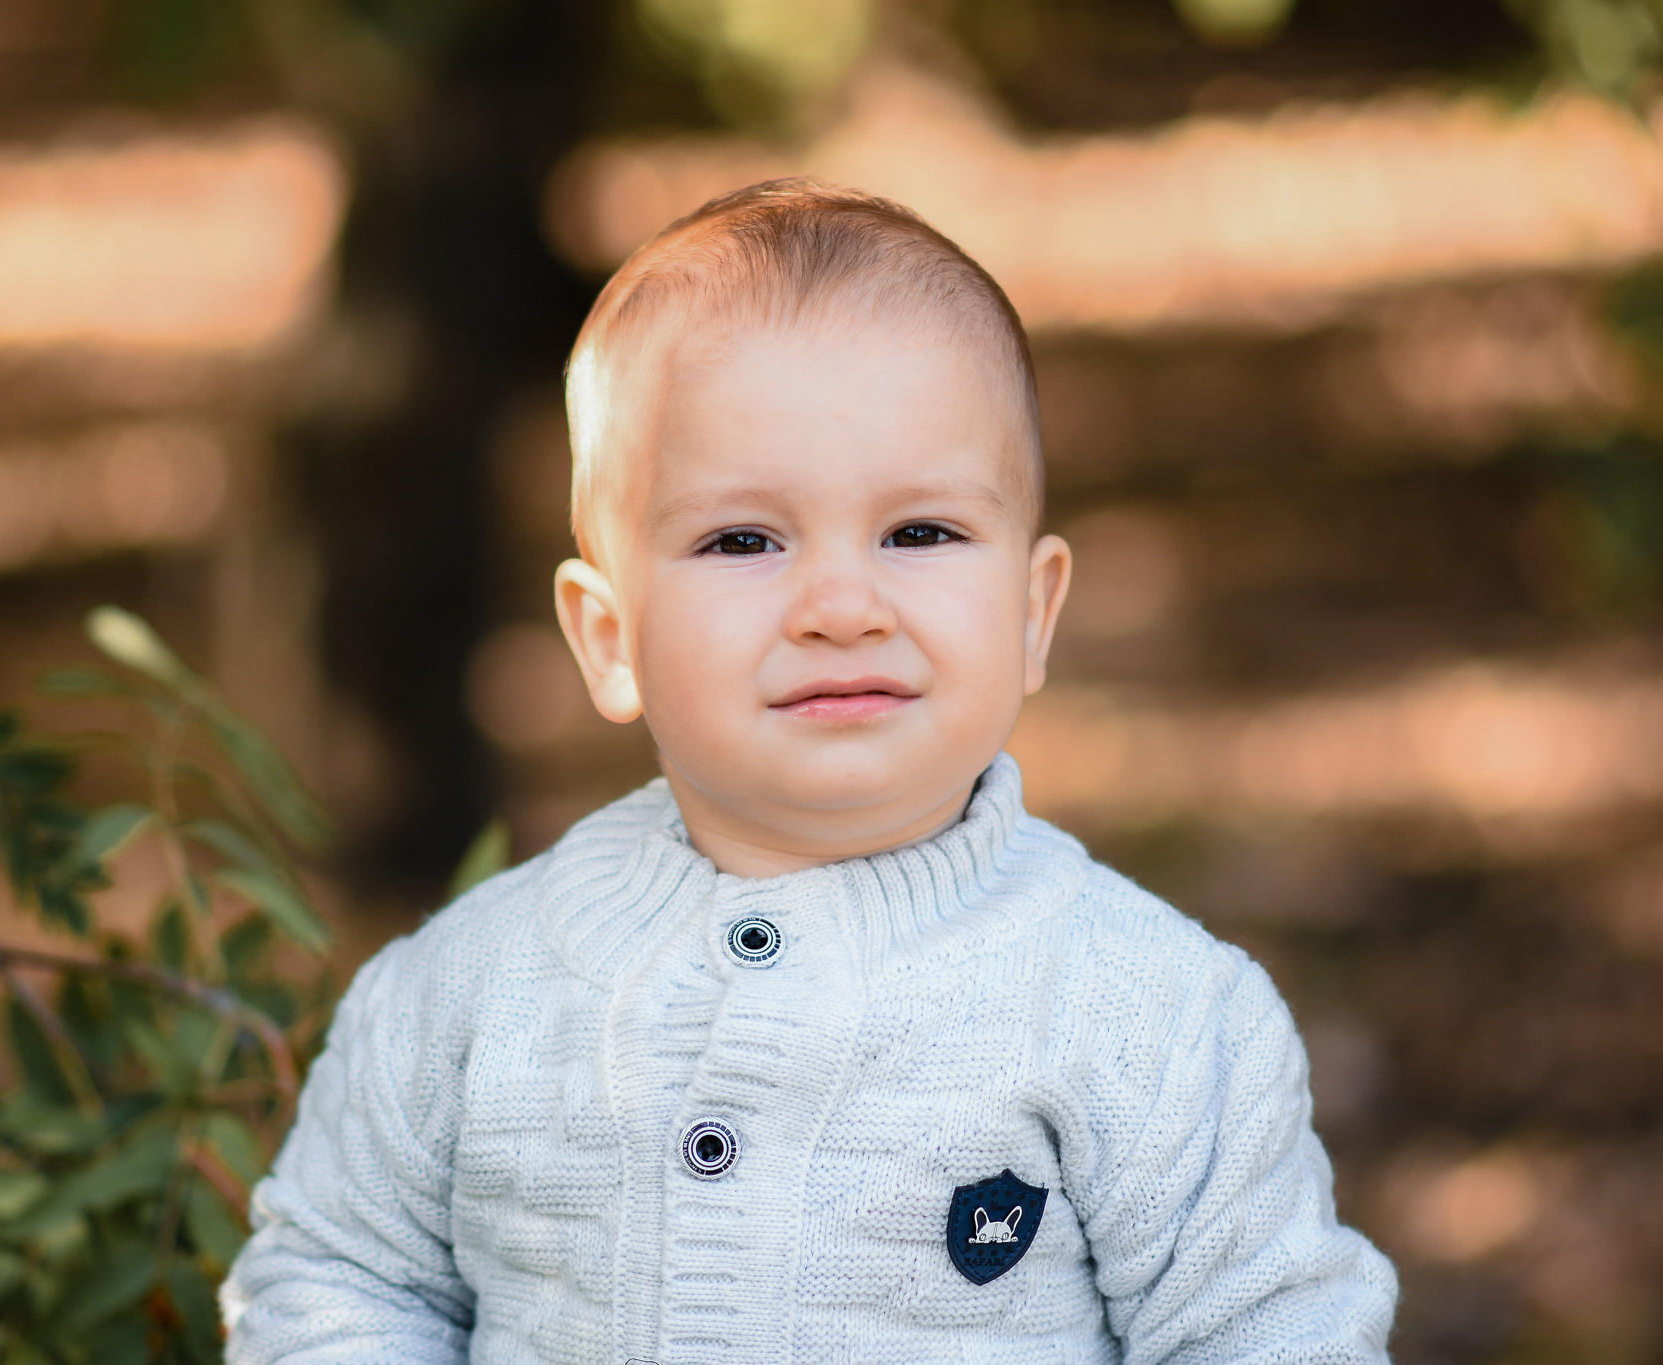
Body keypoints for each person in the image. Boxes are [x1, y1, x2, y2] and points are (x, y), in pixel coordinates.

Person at [221, 179, 1398, 1363]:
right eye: (742, 540)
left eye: (919, 532)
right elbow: (336, 1276)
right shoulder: (465, 998)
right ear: (609, 638)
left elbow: (1270, 1334)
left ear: (1033, 614)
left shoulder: (1149, 1016)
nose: (841, 606)